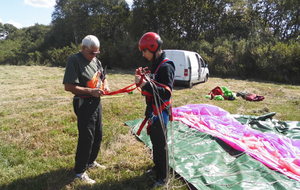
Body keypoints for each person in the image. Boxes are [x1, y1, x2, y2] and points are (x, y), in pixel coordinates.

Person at [63, 35, 109, 184]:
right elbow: (69, 86)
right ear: (83, 49)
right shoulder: (74, 60)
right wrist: (91, 91)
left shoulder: (96, 60)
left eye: (97, 53)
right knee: (86, 137)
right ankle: (79, 171)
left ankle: (91, 162)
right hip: (83, 103)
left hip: (96, 102)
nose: (94, 56)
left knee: (98, 134)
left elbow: (103, 75)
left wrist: (105, 85)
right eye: (91, 53)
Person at [135, 32, 175, 188]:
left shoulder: (166, 66)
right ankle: (156, 167)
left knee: (160, 144)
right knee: (154, 141)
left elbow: (166, 92)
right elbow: (154, 85)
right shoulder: (155, 64)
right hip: (153, 110)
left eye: (145, 51)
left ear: (153, 48)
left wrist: (144, 84)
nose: (143, 55)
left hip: (161, 112)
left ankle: (163, 177)